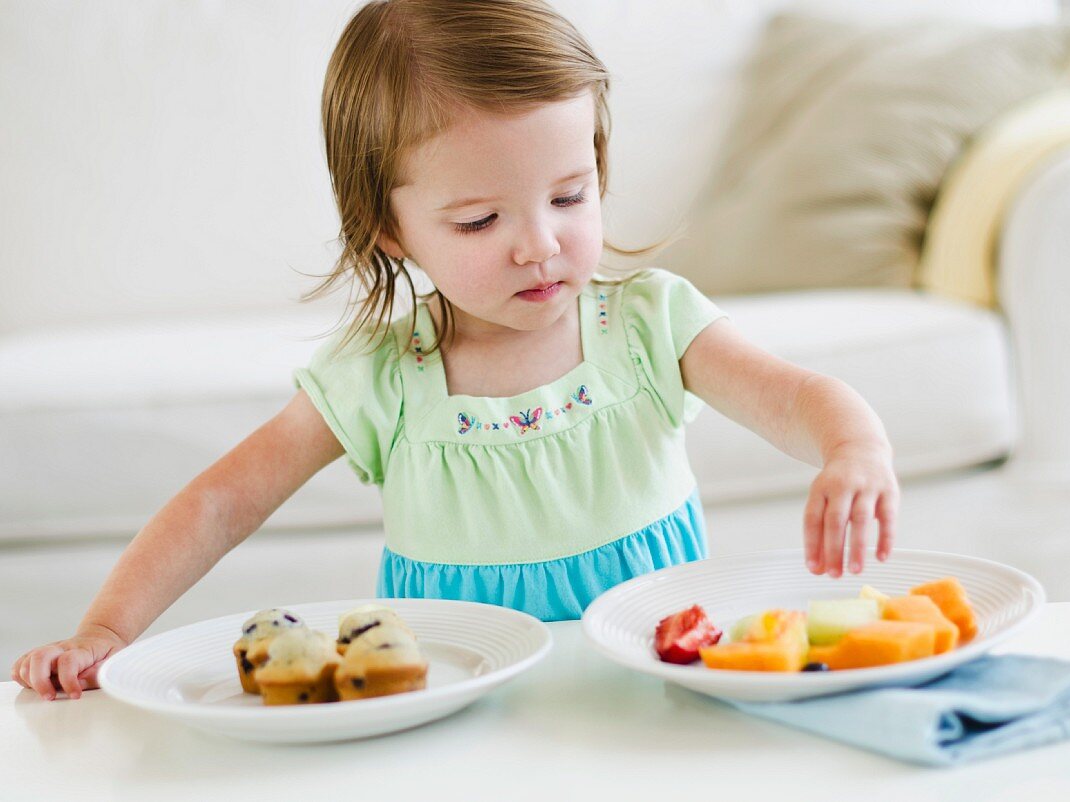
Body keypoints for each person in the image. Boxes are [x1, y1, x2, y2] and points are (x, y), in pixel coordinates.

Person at [11, 0, 899, 701]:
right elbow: (218, 505)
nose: (539, 244)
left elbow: (792, 395)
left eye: (570, 196)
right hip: (448, 686)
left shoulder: (648, 325)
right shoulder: (381, 377)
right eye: (479, 219)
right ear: (388, 230)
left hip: (651, 663)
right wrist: (105, 631)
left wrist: (853, 448)